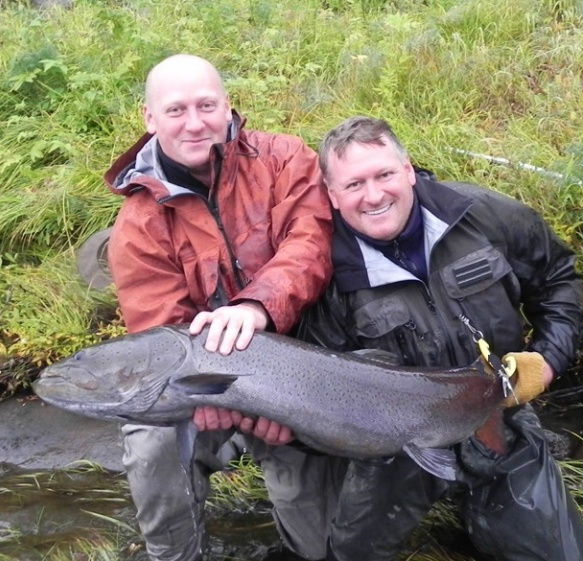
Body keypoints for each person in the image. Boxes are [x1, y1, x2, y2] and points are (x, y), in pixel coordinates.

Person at [299, 115, 583, 560]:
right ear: (332, 196)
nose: (374, 195)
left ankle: (486, 506)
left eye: (384, 174)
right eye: (354, 184)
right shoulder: (323, 274)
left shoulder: (482, 215)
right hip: (395, 446)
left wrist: (548, 358)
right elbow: (321, 387)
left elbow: (558, 278)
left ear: (409, 170)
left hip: (500, 417)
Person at [104, 54, 346, 560]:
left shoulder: (285, 159)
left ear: (227, 104)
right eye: (175, 110)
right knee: (152, 440)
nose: (194, 123)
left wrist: (258, 305)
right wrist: (209, 397)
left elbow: (311, 243)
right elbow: (162, 337)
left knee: (324, 546)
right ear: (149, 118)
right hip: (203, 391)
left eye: (206, 105)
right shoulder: (137, 224)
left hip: (294, 376)